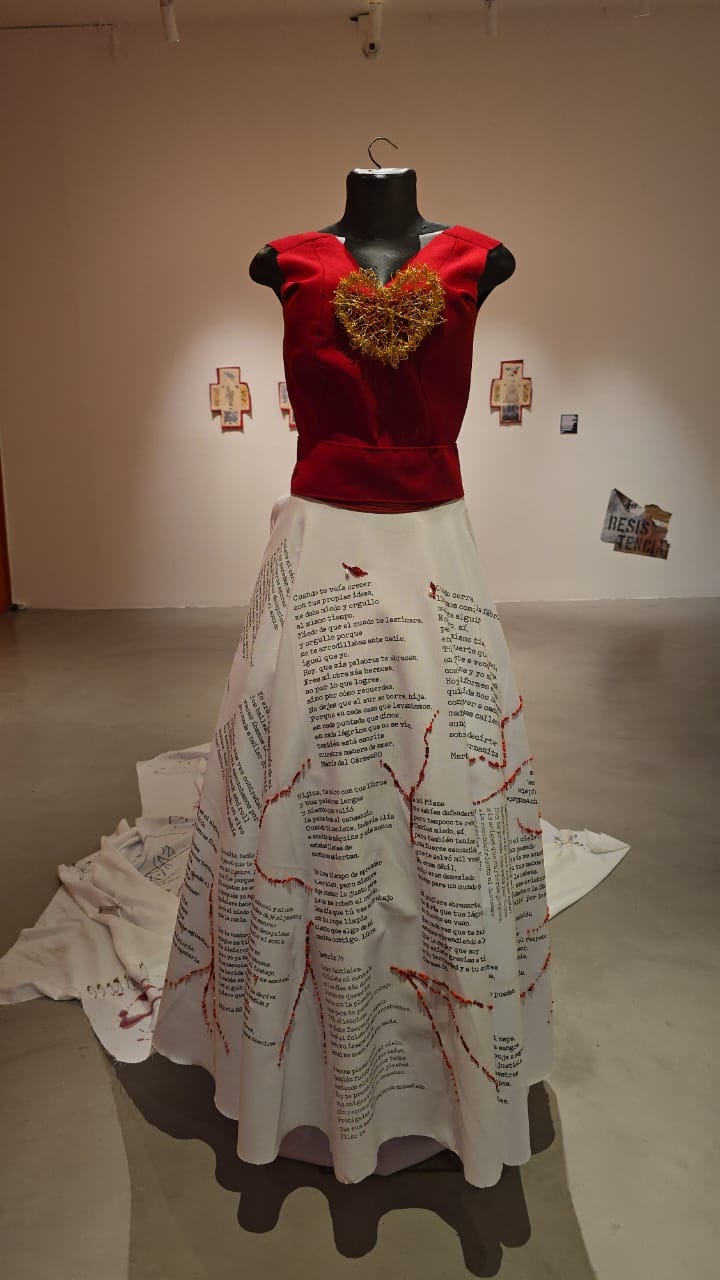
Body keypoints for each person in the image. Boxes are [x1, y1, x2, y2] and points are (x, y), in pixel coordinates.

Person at [152, 166, 553, 1187]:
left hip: (436, 551)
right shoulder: (282, 263)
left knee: (447, 790)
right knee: (308, 789)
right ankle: (304, 1064)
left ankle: (441, 1061)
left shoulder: (480, 260)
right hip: (319, 546)